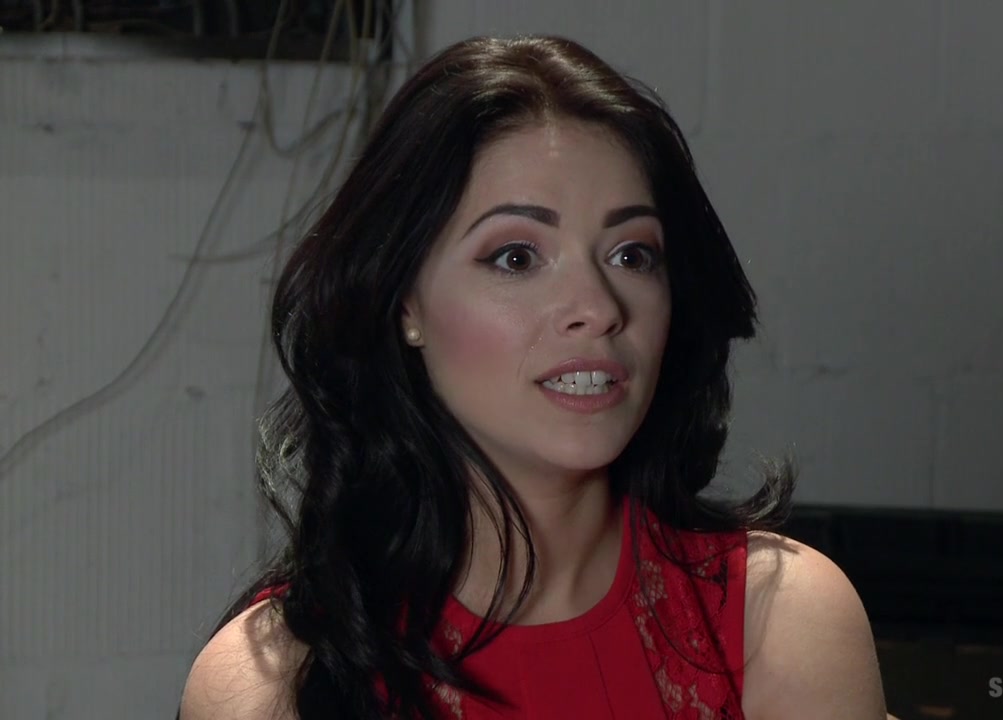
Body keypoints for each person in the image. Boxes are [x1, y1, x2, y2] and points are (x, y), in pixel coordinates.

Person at [179, 35, 888, 719]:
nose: (598, 308)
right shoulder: (271, 685)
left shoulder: (779, 621)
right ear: (404, 304)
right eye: (516, 257)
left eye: (631, 255)